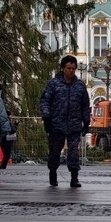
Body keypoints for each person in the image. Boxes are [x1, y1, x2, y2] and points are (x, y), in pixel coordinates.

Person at [39, 55, 91, 188]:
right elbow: (45, 101)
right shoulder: (53, 84)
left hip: (74, 124)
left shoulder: (80, 86)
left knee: (73, 151)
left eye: (73, 68)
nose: (71, 71)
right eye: (69, 68)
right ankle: (53, 172)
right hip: (57, 124)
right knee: (55, 151)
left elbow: (85, 105)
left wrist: (86, 121)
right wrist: (46, 116)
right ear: (63, 68)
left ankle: (74, 177)